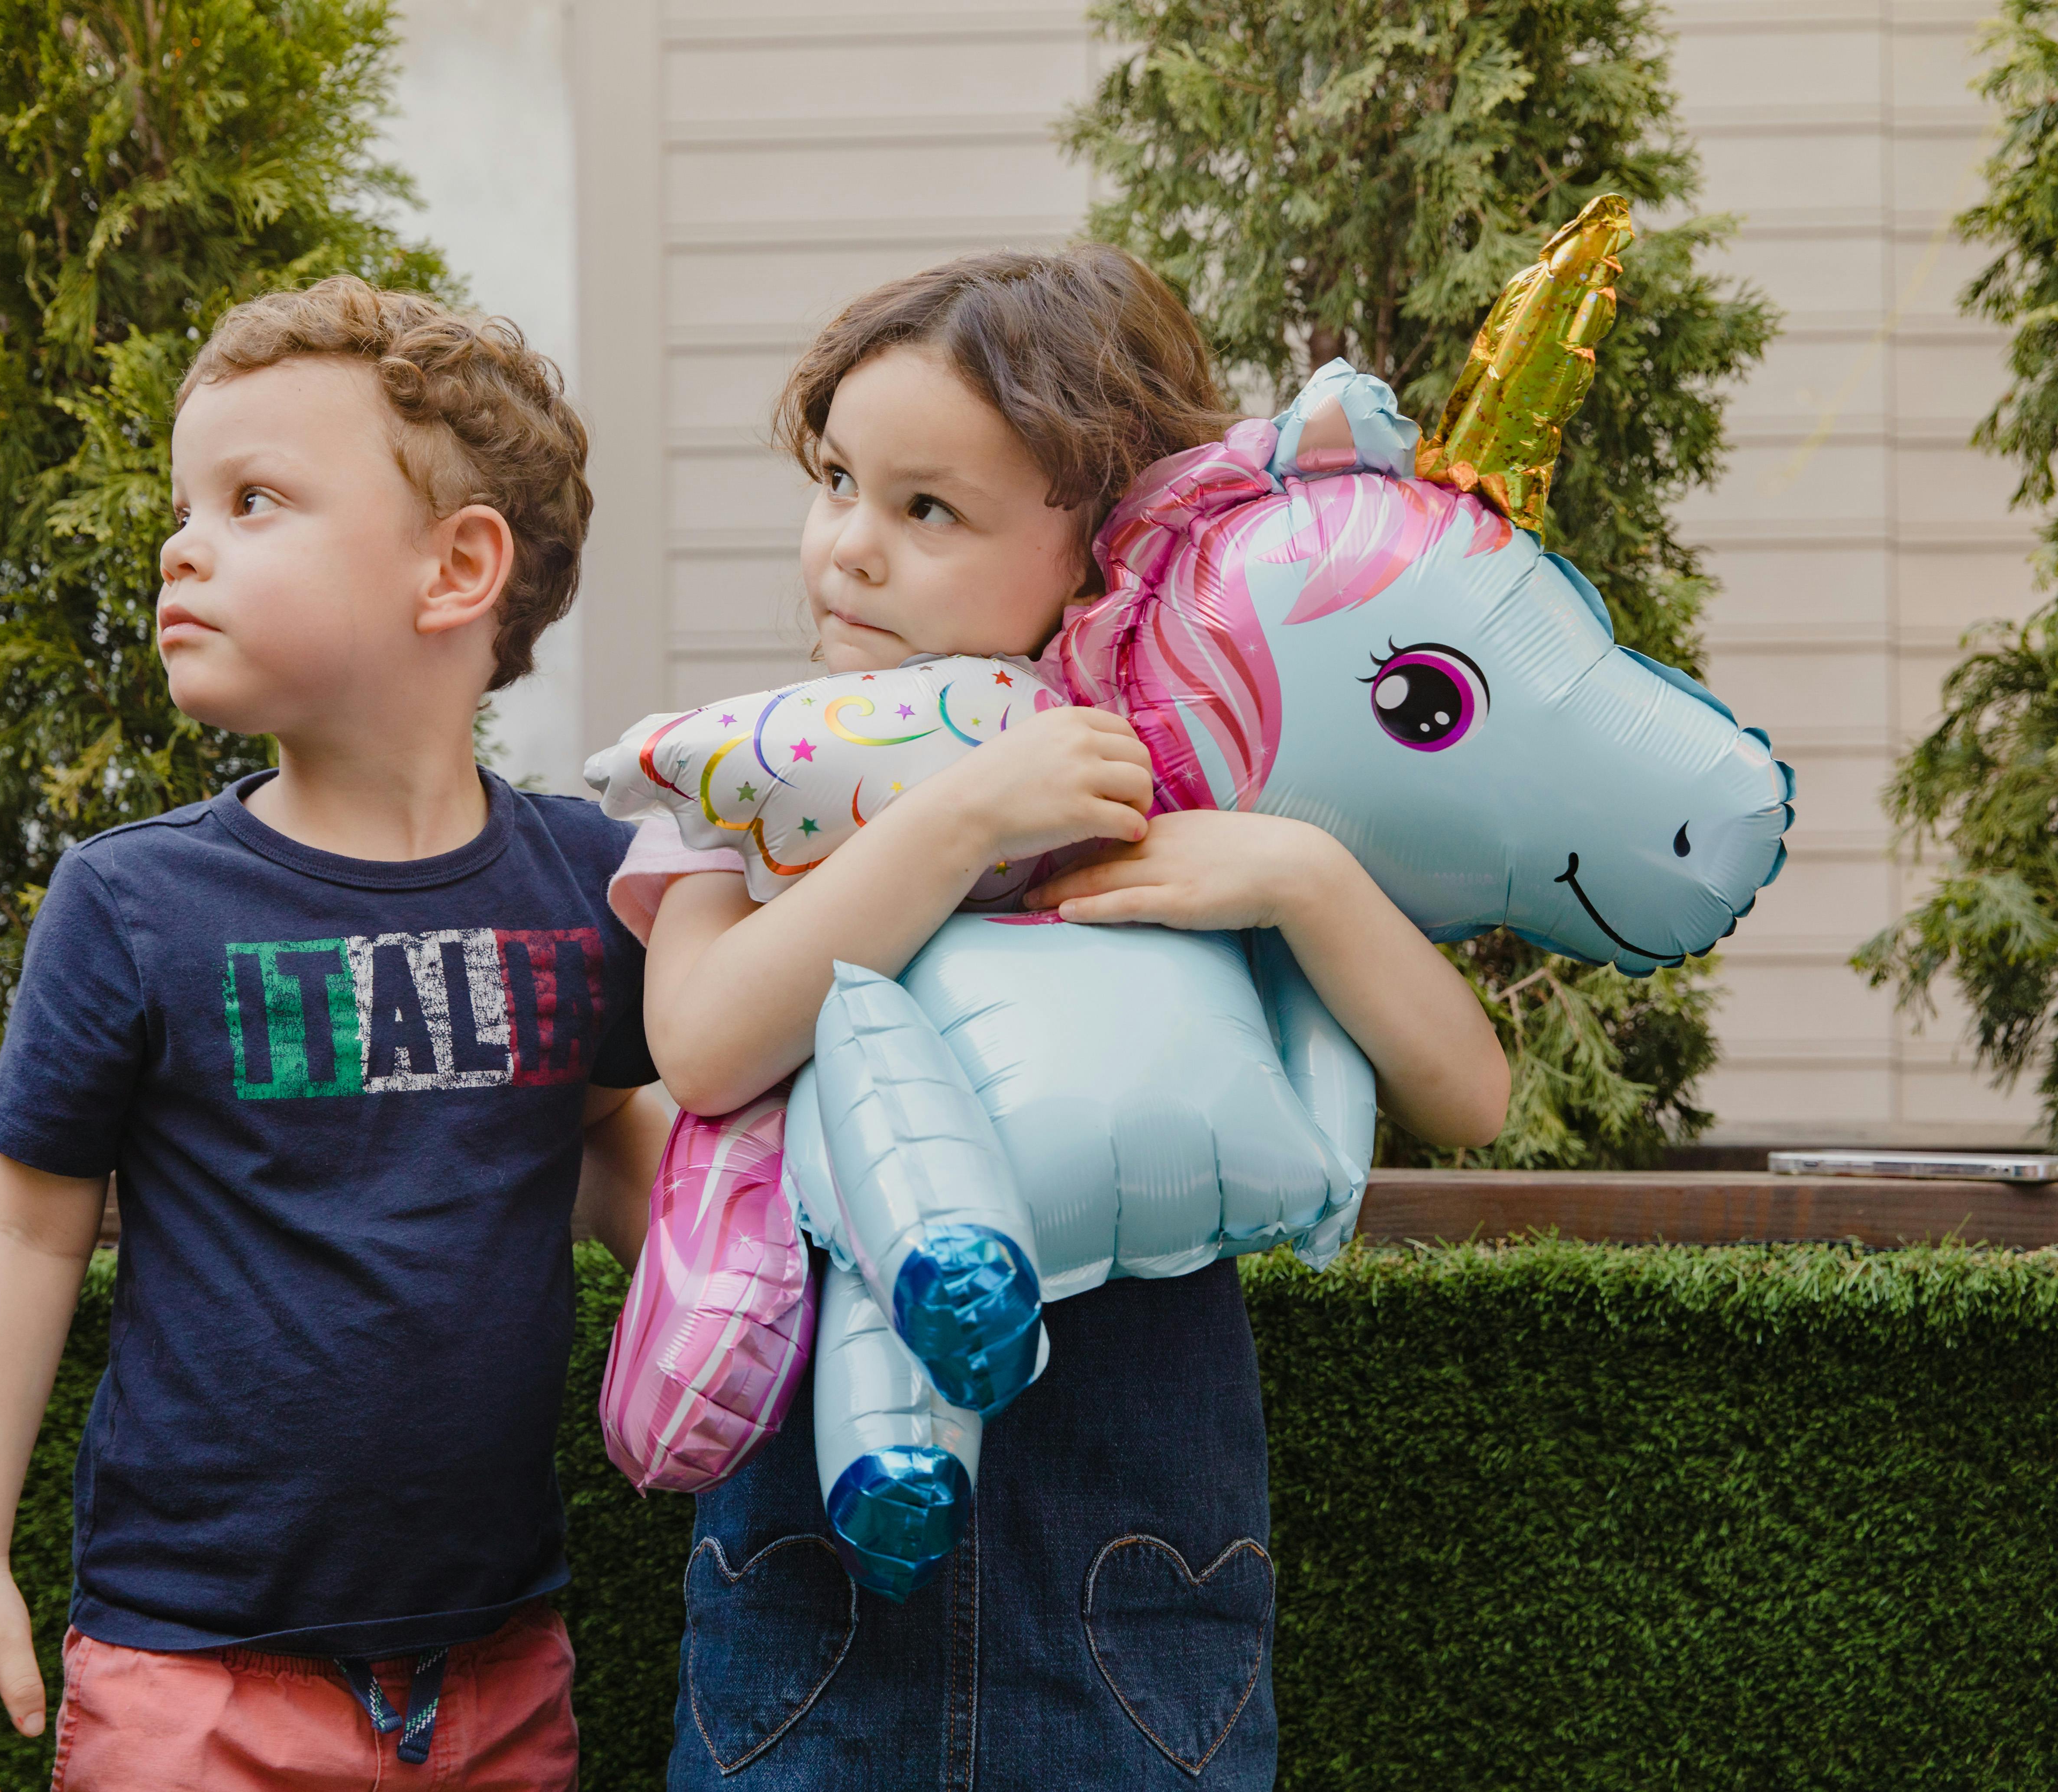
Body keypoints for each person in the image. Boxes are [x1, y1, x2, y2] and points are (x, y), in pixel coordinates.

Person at [615, 247, 1511, 1789]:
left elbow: (1468, 1092)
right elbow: (705, 1041)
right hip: (813, 1602)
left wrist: (1302, 877)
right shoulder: (743, 777)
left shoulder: (1200, 793)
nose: (849, 549)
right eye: (836, 481)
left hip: (1132, 1600)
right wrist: (958, 823)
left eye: (927, 509)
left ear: (1106, 549)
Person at [0, 275, 670, 1792]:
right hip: (191, 1670)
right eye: (182, 505)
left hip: (502, 1659)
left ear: (456, 568)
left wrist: (736, 1323)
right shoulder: (134, 901)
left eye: (253, 500)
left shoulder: (591, 883)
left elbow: (603, 1129)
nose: (180, 544)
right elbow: (28, 1232)